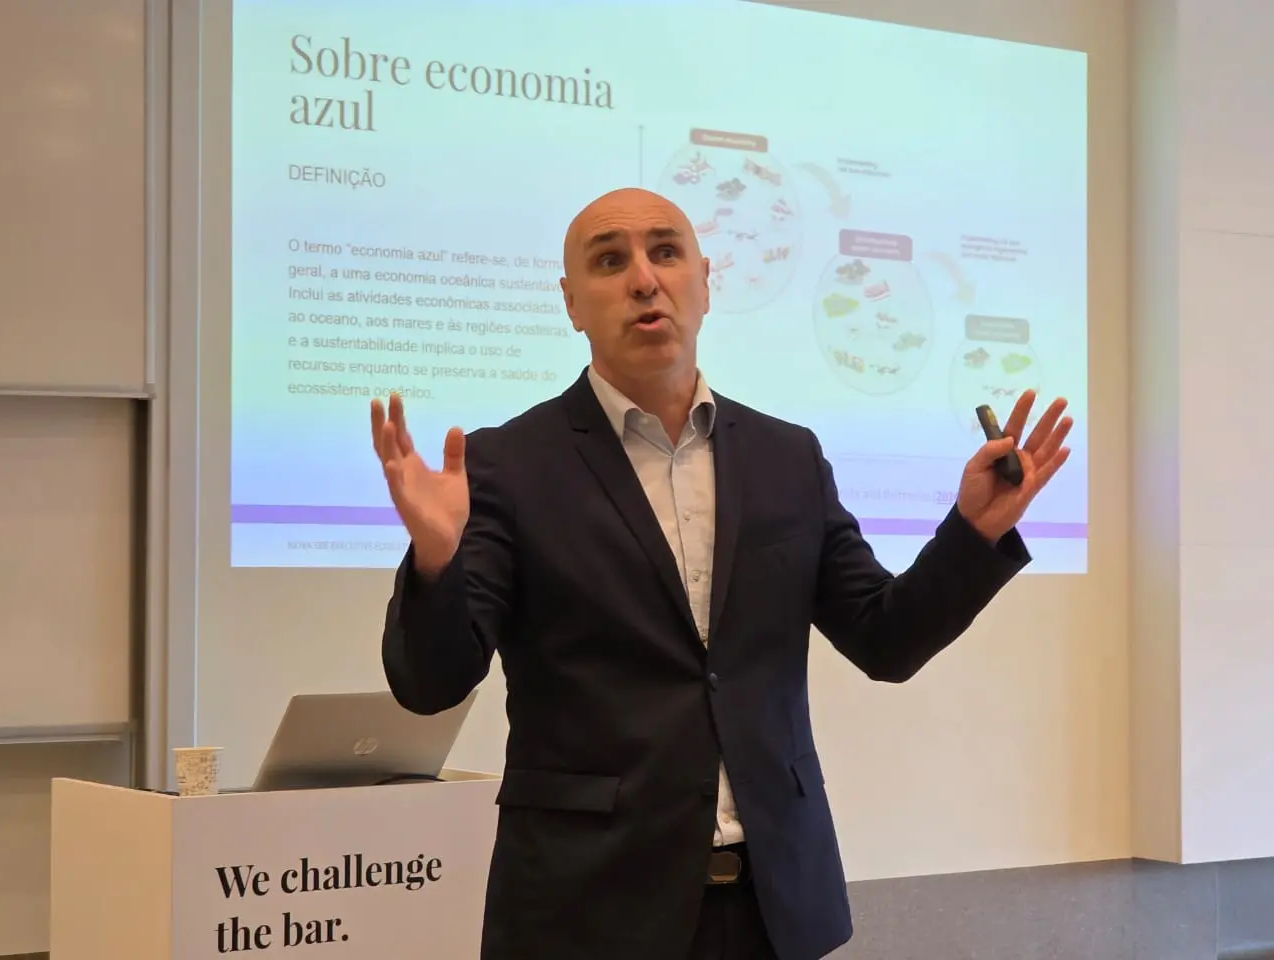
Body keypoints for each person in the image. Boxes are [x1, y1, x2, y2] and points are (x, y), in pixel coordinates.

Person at [372, 187, 1071, 960]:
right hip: (588, 910)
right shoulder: (507, 465)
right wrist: (436, 559)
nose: (644, 279)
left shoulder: (787, 457)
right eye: (610, 261)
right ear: (572, 303)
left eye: (666, 252)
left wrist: (974, 532)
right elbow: (429, 684)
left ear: (704, 282)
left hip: (771, 909)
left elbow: (887, 640)